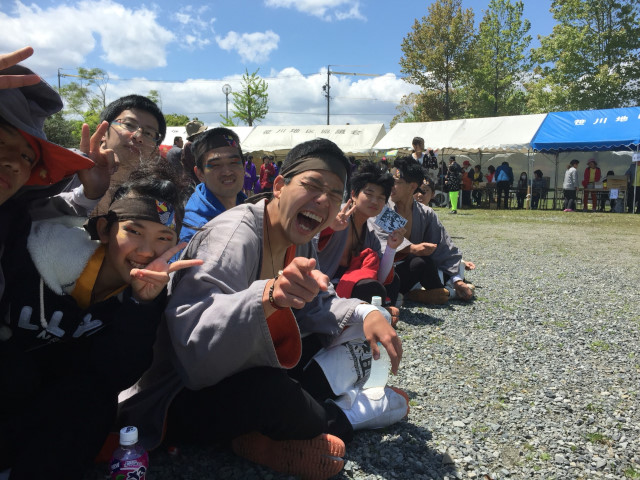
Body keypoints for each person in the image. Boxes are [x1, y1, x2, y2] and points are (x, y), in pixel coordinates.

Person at [117, 139, 406, 480]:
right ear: (279, 186)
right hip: (182, 395)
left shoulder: (300, 236)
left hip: (247, 364)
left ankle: (273, 431)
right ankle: (346, 415)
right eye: (313, 186)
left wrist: (365, 314)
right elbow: (193, 347)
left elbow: (319, 303)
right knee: (291, 405)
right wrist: (268, 296)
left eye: (334, 193)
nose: (323, 200)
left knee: (359, 328)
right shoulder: (232, 236)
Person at [0, 163, 202, 480]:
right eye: (134, 231)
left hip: (47, 411)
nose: (146, 251)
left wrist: (141, 305)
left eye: (164, 237)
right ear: (106, 230)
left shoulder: (144, 295)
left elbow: (117, 375)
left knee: (94, 400)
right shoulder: (33, 252)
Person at [379, 157, 473, 306]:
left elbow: (443, 246)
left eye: (396, 182)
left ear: (412, 186)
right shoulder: (385, 208)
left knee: (424, 262)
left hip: (411, 271)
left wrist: (457, 279)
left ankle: (435, 292)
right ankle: (440, 293)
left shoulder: (426, 213)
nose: (391, 186)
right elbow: (378, 241)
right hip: (385, 273)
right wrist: (412, 248)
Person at [315, 161, 403, 318]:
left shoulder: (371, 235)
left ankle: (375, 310)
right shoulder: (335, 215)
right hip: (320, 283)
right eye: (369, 194)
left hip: (345, 284)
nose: (375, 201)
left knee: (392, 279)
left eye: (381, 198)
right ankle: (379, 310)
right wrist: (328, 227)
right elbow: (306, 244)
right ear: (354, 194)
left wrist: (391, 247)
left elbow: (381, 277)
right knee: (371, 289)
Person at [93, 94, 167, 215]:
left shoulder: (157, 198)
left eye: (148, 133)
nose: (138, 136)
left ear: (154, 151)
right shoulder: (69, 173)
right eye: (129, 125)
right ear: (102, 132)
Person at [179, 128, 247, 244]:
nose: (227, 172)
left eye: (233, 162)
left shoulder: (248, 206)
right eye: (215, 165)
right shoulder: (197, 230)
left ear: (244, 167)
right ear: (200, 174)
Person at [181, 120, 207, 186]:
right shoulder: (189, 146)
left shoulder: (195, 145)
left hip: (197, 180)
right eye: (201, 132)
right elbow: (195, 164)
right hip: (192, 182)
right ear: (196, 135)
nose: (203, 133)